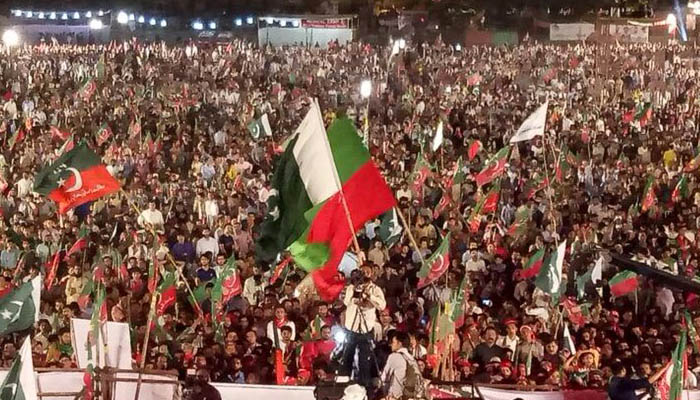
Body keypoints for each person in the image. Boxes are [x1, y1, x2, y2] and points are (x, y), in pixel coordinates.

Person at [341, 265, 386, 389]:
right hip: (352, 328)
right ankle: (343, 383)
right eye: (362, 271)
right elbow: (346, 302)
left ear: (371, 274)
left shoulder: (375, 289)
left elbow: (382, 306)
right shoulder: (351, 287)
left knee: (364, 359)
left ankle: (364, 385)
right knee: (347, 356)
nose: (365, 273)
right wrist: (355, 291)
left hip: (366, 328)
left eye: (367, 271)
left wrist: (369, 296)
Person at [380, 330, 422, 400]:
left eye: (393, 342)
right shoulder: (412, 358)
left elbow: (384, 378)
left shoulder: (394, 356)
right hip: (411, 396)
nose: (391, 345)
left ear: (399, 344)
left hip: (396, 396)